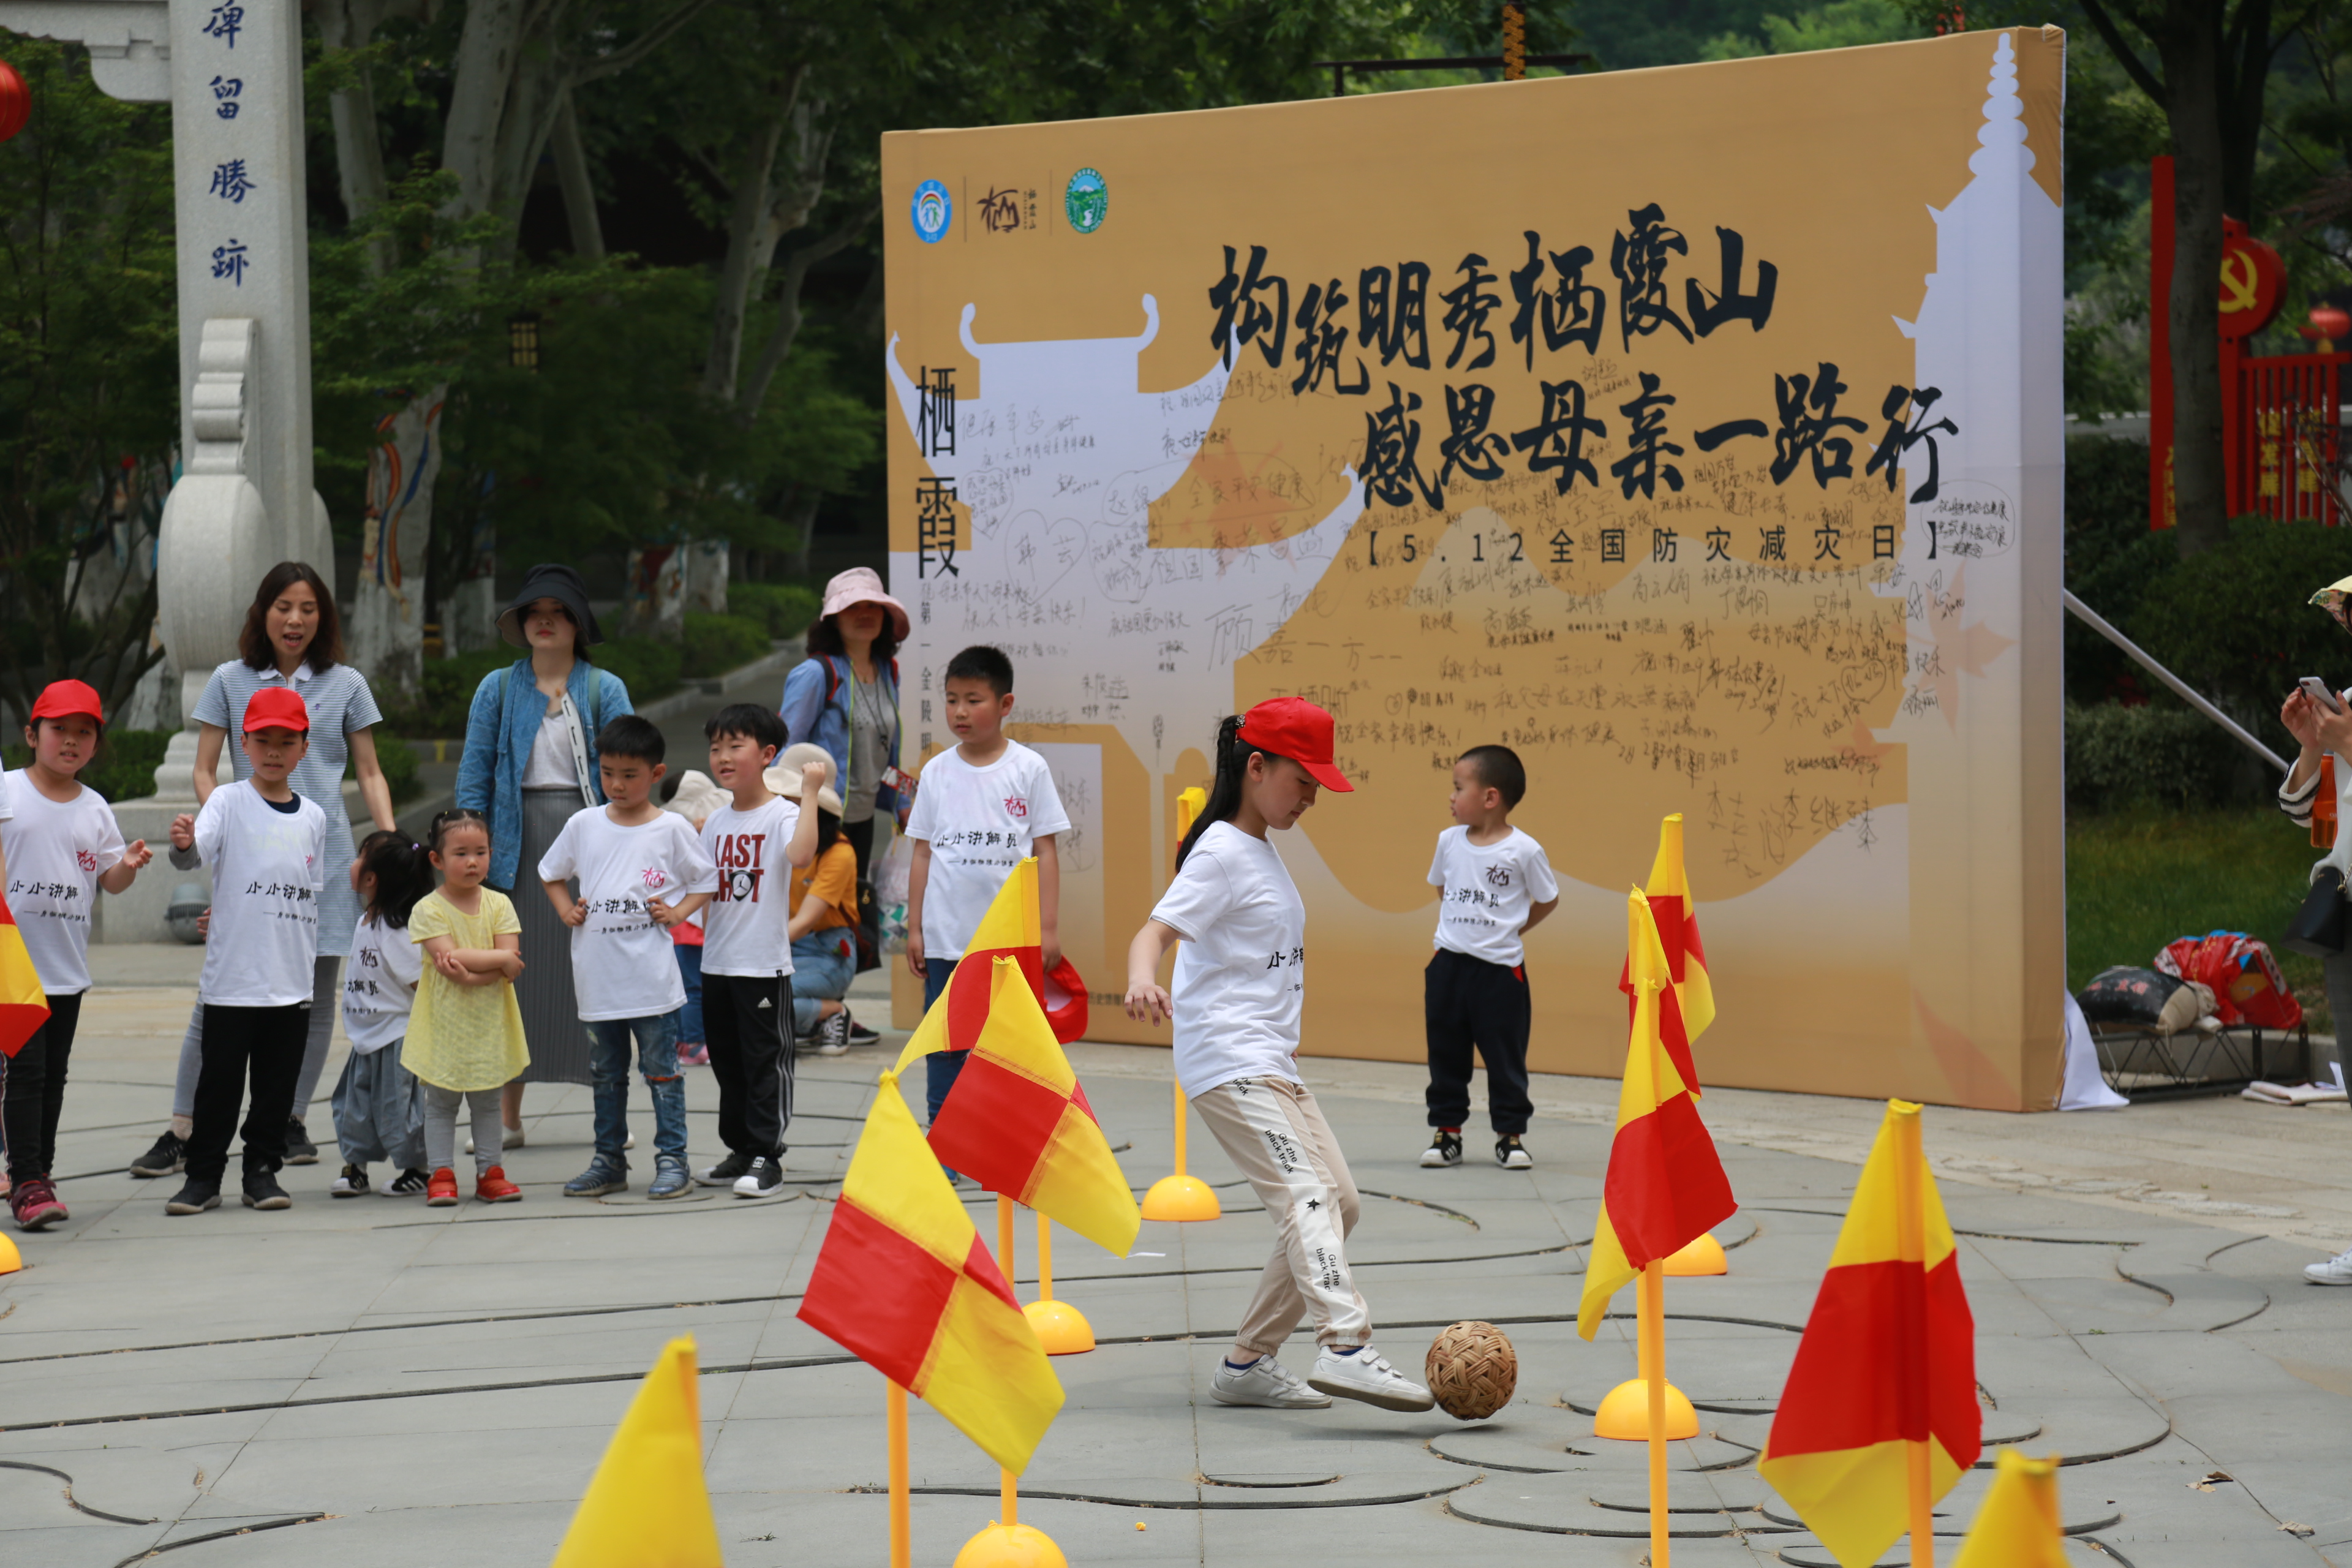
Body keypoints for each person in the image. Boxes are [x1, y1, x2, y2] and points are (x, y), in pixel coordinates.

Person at [1122, 698, 1434, 1414]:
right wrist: (1143, 979)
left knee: (1340, 1203)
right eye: (1304, 780)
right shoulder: (1224, 851)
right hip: (1229, 1061)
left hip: (1270, 1063)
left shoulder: (1257, 849)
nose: (1313, 797)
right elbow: (1154, 932)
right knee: (1307, 1197)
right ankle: (1346, 1345)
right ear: (1256, 767)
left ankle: (1247, 1363)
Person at [129, 562, 398, 1182]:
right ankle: (183, 1127)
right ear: (262, 612)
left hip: (323, 855)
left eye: (308, 608)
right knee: (217, 998)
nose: (295, 619)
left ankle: (287, 1120)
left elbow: (370, 770)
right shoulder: (230, 679)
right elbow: (205, 768)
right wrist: (215, 831)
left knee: (315, 994)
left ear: (323, 616)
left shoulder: (347, 683)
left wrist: (387, 840)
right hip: (247, 854)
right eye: (283, 606)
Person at [453, 564, 635, 1150]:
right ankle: (507, 1115)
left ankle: (612, 1112)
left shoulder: (603, 687)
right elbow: (474, 772)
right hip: (515, 842)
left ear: (578, 624)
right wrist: (467, 847)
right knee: (514, 976)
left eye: (558, 613)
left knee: (600, 976)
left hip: (591, 839)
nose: (545, 622)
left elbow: (627, 767)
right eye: (535, 613)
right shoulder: (497, 688)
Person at [162, 687, 330, 1216]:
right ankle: (203, 1177)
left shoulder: (315, 819)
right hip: (234, 979)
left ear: (304, 747)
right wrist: (185, 843)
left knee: (276, 1090)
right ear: (244, 743)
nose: (274, 751)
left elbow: (309, 892)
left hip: (290, 980)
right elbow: (192, 860)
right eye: (263, 741)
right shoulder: (227, 802)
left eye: (286, 741)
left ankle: (261, 1171)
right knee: (219, 1086)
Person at [537, 715, 717, 1202]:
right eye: (608, 772)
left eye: (629, 775)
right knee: (606, 1073)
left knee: (662, 1071)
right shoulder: (584, 824)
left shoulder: (672, 828)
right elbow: (551, 873)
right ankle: (608, 1160)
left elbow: (706, 880)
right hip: (599, 977)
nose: (616, 784)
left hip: (652, 979)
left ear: (656, 774)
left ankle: (673, 1159)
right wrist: (565, 910)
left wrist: (676, 912)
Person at [1, 680, 153, 1231]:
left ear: (95, 744)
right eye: (58, 730)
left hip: (66, 969)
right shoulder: (8, 791)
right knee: (27, 1074)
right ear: (31, 734)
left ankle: (37, 1172)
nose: (70, 741)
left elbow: (107, 881)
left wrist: (128, 865)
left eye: (83, 733)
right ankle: (26, 1181)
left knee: (54, 1075)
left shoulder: (95, 809)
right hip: (13, 968)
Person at [903, 644, 1069, 1127]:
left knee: (1010, 1042)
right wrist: (916, 929)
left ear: (1005, 705)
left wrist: (1048, 928)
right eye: (952, 699)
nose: (960, 711)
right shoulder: (937, 771)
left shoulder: (1028, 768)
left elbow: (1046, 851)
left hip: (1010, 940)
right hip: (946, 936)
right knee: (948, 1041)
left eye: (974, 699)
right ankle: (946, 1140)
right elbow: (921, 852)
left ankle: (1003, 1136)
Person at [693, 706, 820, 1199]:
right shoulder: (714, 823)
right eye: (716, 747)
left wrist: (808, 793)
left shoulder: (783, 814)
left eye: (735, 746)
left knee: (766, 1061)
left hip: (762, 966)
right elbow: (703, 891)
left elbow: (802, 855)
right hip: (718, 964)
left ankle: (769, 1153)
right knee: (728, 1063)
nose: (722, 757)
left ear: (767, 755)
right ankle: (741, 1150)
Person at [1420, 744, 1558, 1172]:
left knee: (1505, 1056)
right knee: (1446, 1053)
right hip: (1448, 966)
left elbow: (1547, 900)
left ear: (1490, 798)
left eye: (1459, 787)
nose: (1452, 796)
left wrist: (1510, 929)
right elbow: (1444, 890)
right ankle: (1447, 1135)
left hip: (1500, 973)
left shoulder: (1525, 851)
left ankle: (1510, 1137)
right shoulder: (1448, 841)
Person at [404, 809, 528, 1206]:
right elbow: (455, 955)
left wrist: (474, 972)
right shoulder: (428, 909)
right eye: (460, 853)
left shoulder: (499, 905)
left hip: (489, 1022)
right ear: (437, 860)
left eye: (481, 851)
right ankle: (441, 1172)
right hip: (444, 1021)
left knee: (488, 1100)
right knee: (441, 1102)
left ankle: (491, 1171)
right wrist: (497, 964)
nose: (472, 861)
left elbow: (509, 957)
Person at [778, 567, 908, 887]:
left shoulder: (888, 671)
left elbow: (886, 747)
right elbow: (784, 749)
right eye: (852, 607)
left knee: (853, 906)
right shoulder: (815, 674)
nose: (865, 615)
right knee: (819, 916)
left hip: (862, 817)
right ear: (833, 618)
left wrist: (903, 803)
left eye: (873, 606)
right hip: (820, 817)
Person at [329, 831, 434, 1200]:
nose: (353, 863)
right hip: (366, 1033)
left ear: (372, 878)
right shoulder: (365, 921)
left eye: (360, 856)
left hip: (396, 1035)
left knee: (396, 1107)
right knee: (353, 1104)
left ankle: (417, 1168)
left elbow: (421, 985)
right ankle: (355, 1167)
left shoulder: (397, 930)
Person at [773, 744, 864, 1052]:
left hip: (827, 952)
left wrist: (757, 949)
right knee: (748, 998)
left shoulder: (839, 852)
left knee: (767, 999)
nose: (778, 802)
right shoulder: (779, 837)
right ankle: (810, 1018)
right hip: (786, 947)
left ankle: (834, 1012)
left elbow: (805, 921)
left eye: (788, 797)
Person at [665, 769, 729, 1068]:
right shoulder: (700, 826)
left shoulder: (675, 825)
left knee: (684, 987)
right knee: (694, 988)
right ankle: (694, 1044)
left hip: (681, 922)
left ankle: (682, 1042)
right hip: (691, 924)